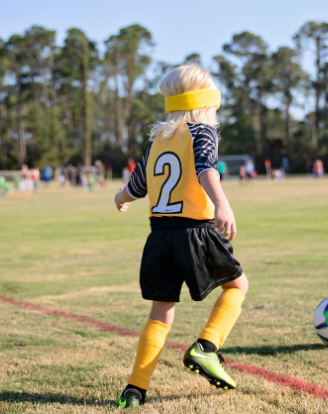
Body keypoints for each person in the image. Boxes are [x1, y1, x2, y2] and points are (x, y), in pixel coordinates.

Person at [113, 65, 248, 409]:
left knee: (161, 313)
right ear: (206, 105)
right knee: (238, 287)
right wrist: (222, 204)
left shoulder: (159, 140)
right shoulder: (202, 131)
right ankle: (206, 348)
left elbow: (137, 186)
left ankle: (135, 389)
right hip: (195, 230)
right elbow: (206, 169)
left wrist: (120, 198)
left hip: (159, 237)